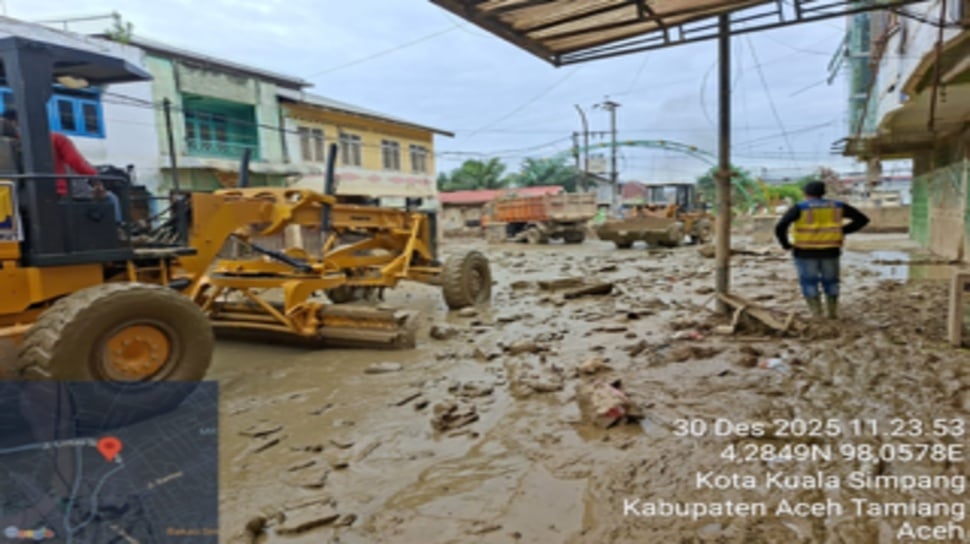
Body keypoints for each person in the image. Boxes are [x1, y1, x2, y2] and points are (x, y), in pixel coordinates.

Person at [774, 181, 870, 319]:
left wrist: (786, 244)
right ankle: (832, 313)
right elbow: (863, 219)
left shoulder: (800, 207)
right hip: (831, 250)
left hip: (804, 252)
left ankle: (817, 315)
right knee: (831, 282)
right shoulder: (837, 206)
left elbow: (781, 226)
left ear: (805, 193)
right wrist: (842, 231)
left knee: (809, 282)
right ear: (823, 193)